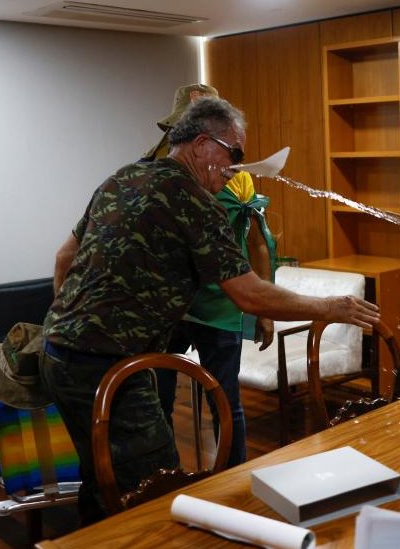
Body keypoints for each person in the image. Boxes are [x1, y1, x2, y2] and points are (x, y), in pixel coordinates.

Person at [41, 96, 379, 524]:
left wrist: (66, 325)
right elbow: (250, 295)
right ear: (201, 144)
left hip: (56, 355)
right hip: (106, 366)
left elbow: (62, 258)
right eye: (234, 153)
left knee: (100, 473)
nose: (238, 166)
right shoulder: (195, 202)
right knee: (153, 485)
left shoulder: (123, 177)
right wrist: (330, 306)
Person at [144, 84, 277, 468]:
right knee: (159, 400)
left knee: (225, 401)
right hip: (171, 305)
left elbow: (254, 244)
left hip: (222, 301)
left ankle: (234, 479)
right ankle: (163, 479)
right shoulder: (156, 175)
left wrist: (264, 309)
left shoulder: (239, 180)